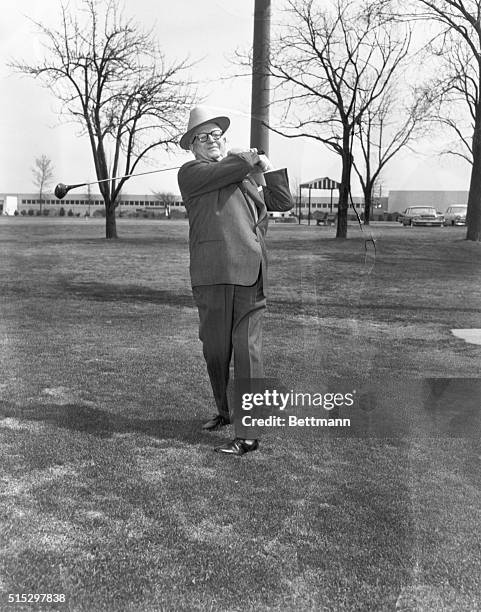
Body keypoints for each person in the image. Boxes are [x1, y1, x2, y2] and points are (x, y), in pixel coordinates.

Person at [177, 106, 293, 456]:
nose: (213, 141)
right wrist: (248, 158)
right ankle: (226, 411)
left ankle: (249, 433)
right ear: (193, 146)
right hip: (212, 275)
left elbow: (282, 201)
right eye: (204, 137)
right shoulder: (191, 173)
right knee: (215, 350)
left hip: (250, 273)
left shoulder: (243, 174)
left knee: (246, 351)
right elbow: (233, 165)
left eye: (217, 135)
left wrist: (266, 168)